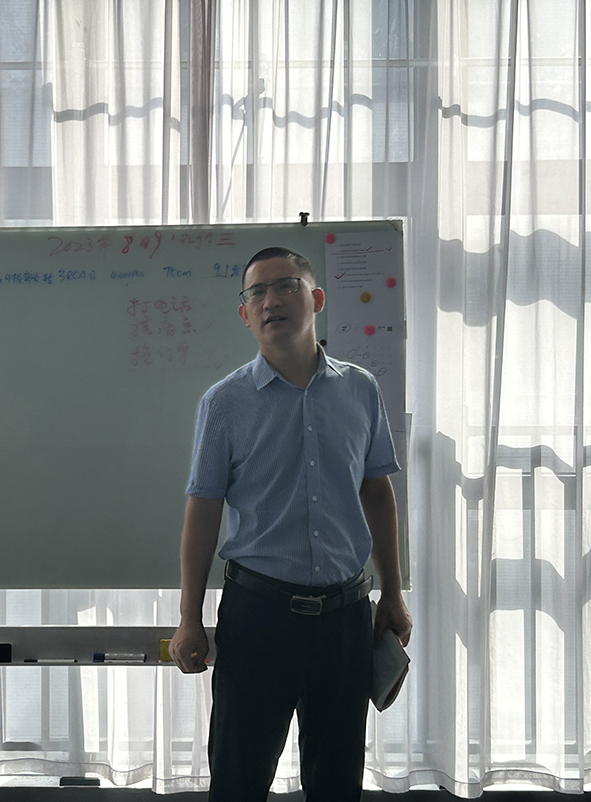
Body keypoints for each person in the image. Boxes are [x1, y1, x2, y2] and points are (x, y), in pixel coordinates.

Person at [168, 246, 412, 801]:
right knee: (238, 778)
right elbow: (203, 512)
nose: (270, 301)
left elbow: (377, 492)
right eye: (256, 292)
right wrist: (189, 618)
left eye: (286, 286)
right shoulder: (224, 403)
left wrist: (393, 594)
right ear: (244, 314)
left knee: (337, 781)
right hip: (259, 617)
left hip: (345, 618)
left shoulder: (361, 389)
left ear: (316, 299)